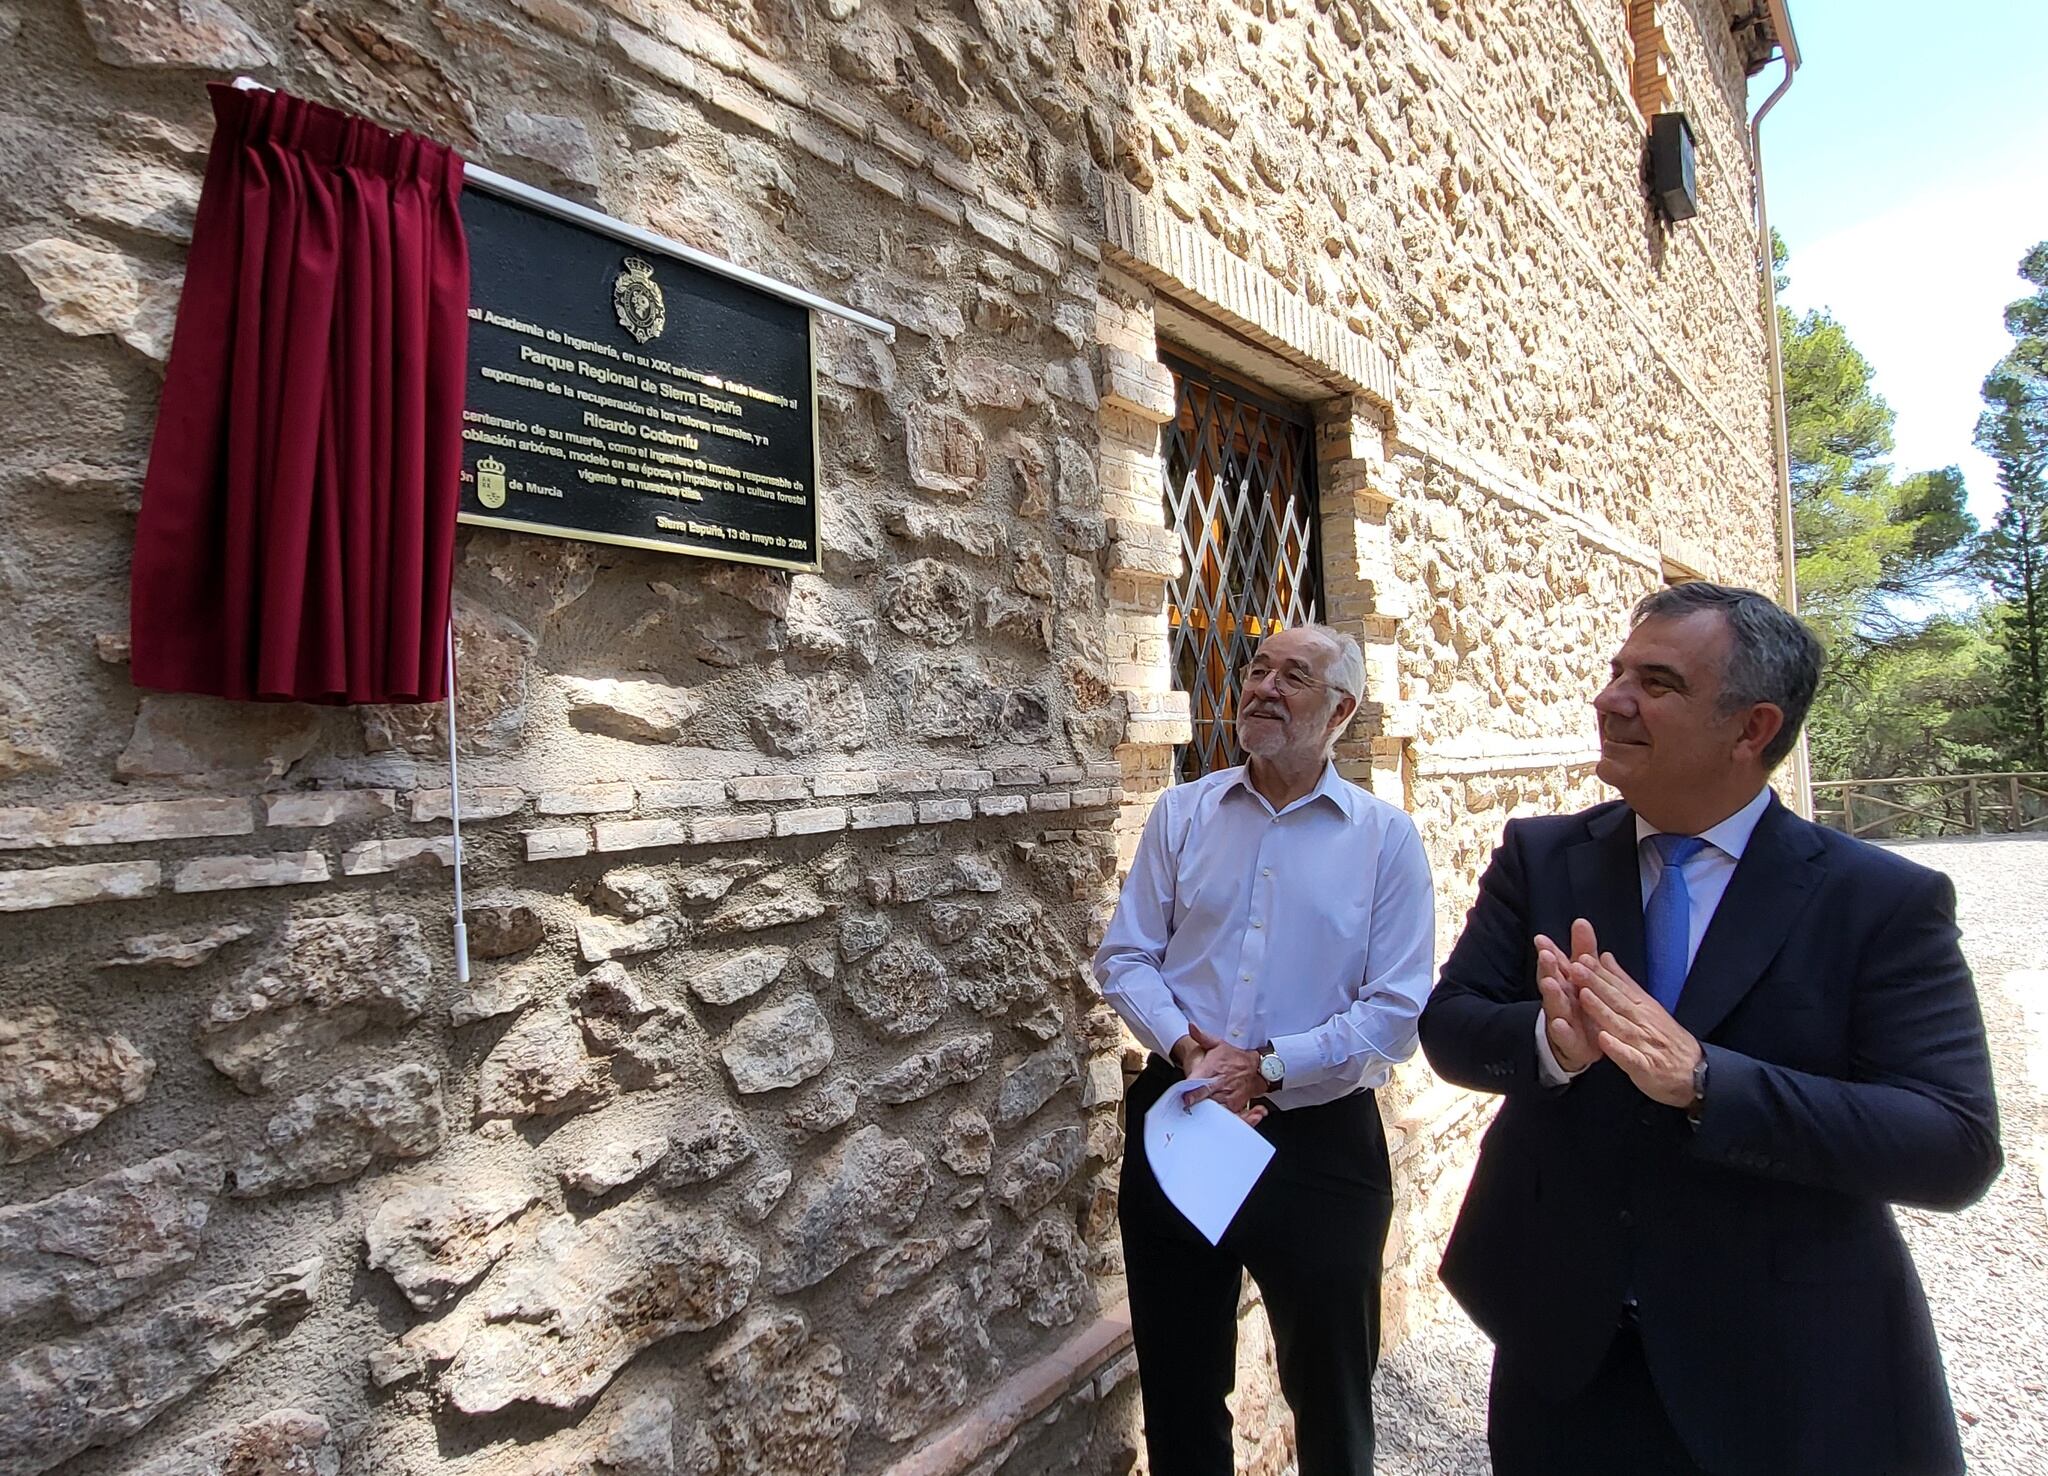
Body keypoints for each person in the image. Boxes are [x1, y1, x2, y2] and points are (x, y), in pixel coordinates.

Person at [1419, 581, 2002, 1476]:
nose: (1610, 699)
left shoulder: (1876, 902)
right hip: (1569, 1360)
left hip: (1783, 1371)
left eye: (1657, 683)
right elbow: (1452, 1027)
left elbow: (1952, 1144)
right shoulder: (1541, 856)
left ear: (1753, 728)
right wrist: (1552, 1045)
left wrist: (1706, 1081)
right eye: (1617, 671)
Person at [1093, 622, 1435, 1476]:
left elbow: (1395, 1011)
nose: (1264, 687)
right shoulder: (1182, 813)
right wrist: (1186, 1046)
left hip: (1316, 1148)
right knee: (1178, 1385)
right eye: (1257, 669)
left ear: (1342, 710)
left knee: (1330, 1397)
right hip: (1185, 1121)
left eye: (1295, 676)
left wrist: (1271, 1063)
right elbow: (1126, 955)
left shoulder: (1385, 842)